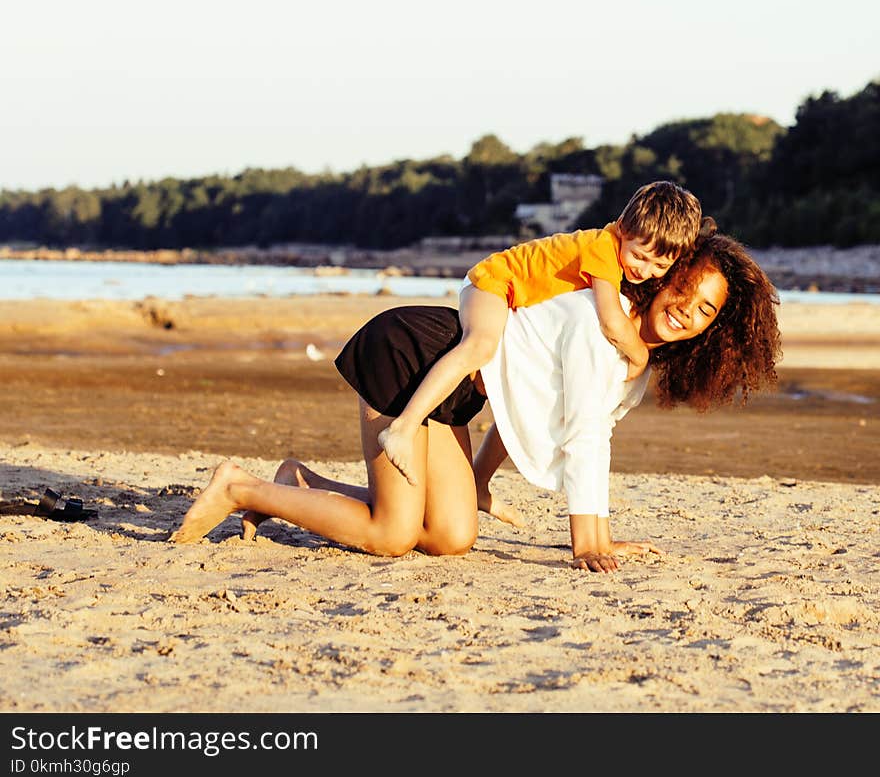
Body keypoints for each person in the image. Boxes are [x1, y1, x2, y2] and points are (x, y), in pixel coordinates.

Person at [168, 226, 781, 572]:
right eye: (685, 292)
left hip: (456, 394)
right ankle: (238, 488)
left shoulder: (636, 364)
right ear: (664, 278)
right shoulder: (606, 324)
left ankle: (297, 485)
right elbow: (584, 439)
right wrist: (590, 542)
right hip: (416, 355)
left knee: (452, 535)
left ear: (715, 328)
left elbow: (543, 419)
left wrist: (488, 483)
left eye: (706, 310)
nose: (687, 312)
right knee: (391, 534)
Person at [377, 180, 703, 487]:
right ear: (622, 227)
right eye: (639, 256)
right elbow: (612, 322)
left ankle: (478, 484)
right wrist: (640, 355)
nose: (644, 271)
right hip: (494, 282)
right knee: (479, 346)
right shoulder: (603, 249)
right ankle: (403, 427)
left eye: (658, 267)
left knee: (527, 396)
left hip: (511, 296)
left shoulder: (620, 258)